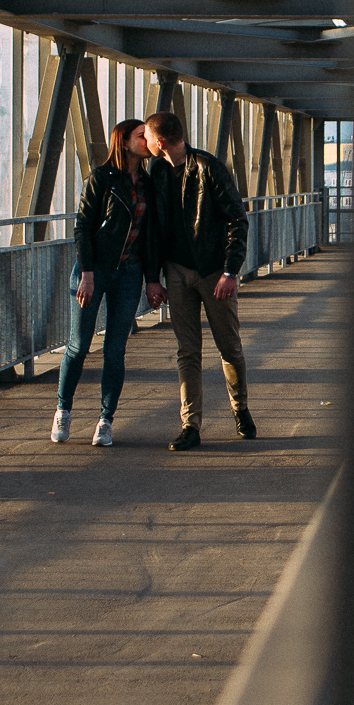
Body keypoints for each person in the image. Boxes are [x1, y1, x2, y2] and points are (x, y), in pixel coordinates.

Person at [137, 110, 253, 451]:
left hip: (214, 272)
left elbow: (237, 219)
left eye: (147, 138)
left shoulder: (208, 167)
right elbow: (152, 230)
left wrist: (231, 272)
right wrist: (152, 278)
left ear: (160, 143)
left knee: (229, 347)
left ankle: (240, 409)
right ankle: (191, 425)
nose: (145, 144)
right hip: (176, 271)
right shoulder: (157, 171)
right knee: (187, 351)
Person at [52, 119, 160, 446]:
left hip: (129, 273)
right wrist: (86, 274)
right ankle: (63, 411)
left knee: (115, 350)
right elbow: (83, 226)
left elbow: (151, 238)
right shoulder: (101, 178)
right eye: (141, 136)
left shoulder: (149, 183)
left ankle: (105, 421)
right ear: (124, 142)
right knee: (79, 346)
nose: (148, 141)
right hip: (94, 271)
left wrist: (152, 280)